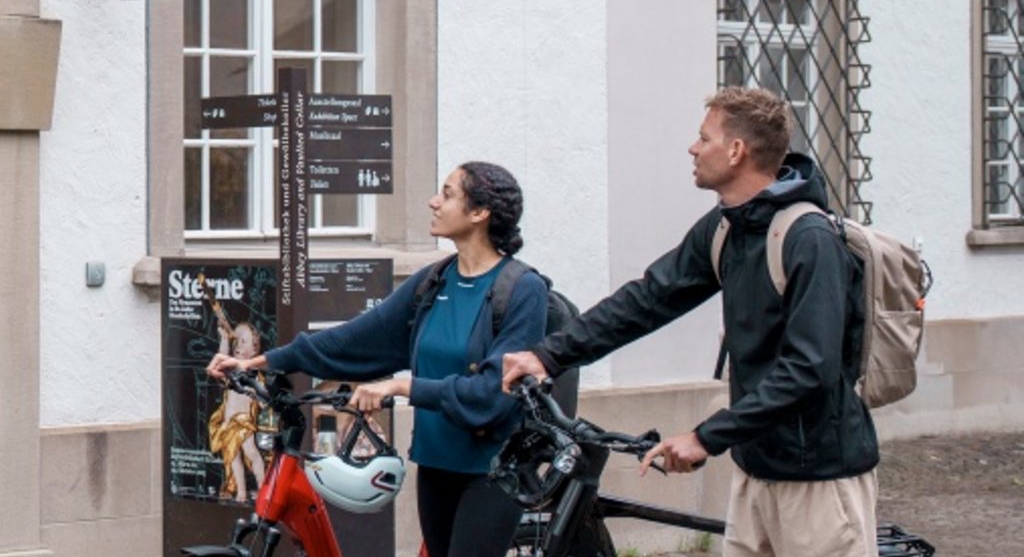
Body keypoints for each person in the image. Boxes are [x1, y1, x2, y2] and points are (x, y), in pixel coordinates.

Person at [501, 87, 876, 557]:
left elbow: (810, 370)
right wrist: (549, 354)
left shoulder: (809, 239)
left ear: (736, 151)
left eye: (704, 138)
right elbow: (648, 299)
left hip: (819, 480)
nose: (692, 148)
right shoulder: (727, 228)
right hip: (756, 469)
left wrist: (705, 437)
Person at [208, 162, 545, 557]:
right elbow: (354, 339)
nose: (433, 202)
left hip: (493, 469)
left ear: (479, 213)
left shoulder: (523, 290)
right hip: (436, 463)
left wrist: (402, 385)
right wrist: (261, 362)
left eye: (448, 194)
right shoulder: (433, 282)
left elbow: (492, 391)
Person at [206, 290, 268, 501]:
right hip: (229, 421)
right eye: (237, 342)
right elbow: (222, 358)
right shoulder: (232, 369)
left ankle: (262, 487)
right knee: (233, 457)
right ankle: (240, 491)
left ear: (255, 351)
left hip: (243, 422)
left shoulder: (252, 372)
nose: (238, 346)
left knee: (251, 452)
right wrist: (224, 338)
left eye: (244, 342)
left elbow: (262, 394)